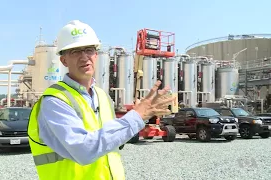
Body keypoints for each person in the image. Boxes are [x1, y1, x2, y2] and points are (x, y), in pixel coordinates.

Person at [27, 20, 174, 180]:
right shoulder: (55, 101)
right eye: (75, 51)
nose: (84, 57)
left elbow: (111, 141)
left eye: (89, 50)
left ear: (96, 55)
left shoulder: (102, 96)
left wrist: (137, 118)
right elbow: (84, 150)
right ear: (63, 60)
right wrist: (136, 117)